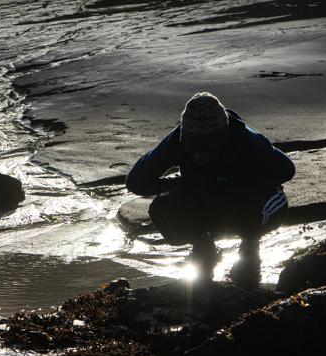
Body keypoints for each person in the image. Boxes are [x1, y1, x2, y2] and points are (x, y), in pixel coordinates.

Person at [125, 92, 295, 288]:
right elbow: (136, 182)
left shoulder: (248, 142)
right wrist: (187, 183)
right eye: (192, 149)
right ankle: (203, 246)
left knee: (250, 208)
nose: (199, 156)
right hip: (207, 203)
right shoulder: (177, 141)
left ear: (221, 140)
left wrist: (234, 183)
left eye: (208, 150)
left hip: (248, 205)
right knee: (163, 206)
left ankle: (250, 246)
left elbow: (286, 170)